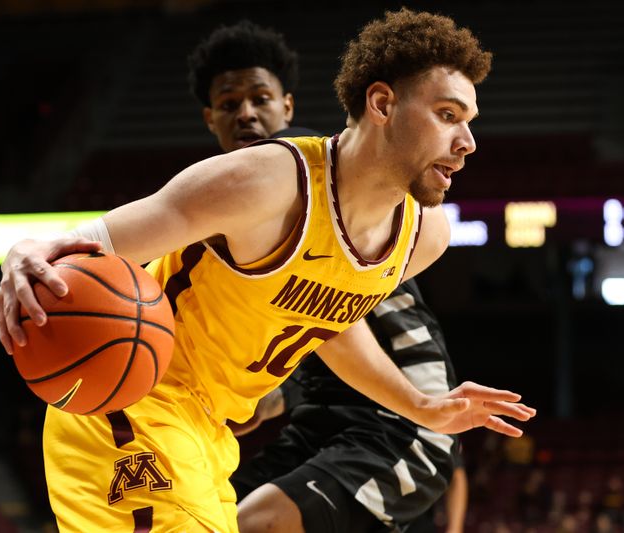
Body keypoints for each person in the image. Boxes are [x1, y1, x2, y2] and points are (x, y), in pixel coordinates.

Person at [0, 8, 536, 533]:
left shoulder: (424, 236)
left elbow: (332, 325)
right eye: (447, 115)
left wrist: (421, 406)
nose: (466, 144)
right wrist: (24, 250)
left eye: (468, 123)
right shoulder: (266, 182)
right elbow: (86, 244)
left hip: (210, 432)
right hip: (134, 403)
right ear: (382, 103)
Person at [187, 20, 469, 532]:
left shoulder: (302, 166)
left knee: (252, 526)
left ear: (287, 108)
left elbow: (328, 315)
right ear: (210, 119)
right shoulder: (243, 205)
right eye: (230, 106)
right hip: (323, 417)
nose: (247, 114)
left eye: (261, 99)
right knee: (202, 520)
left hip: (399, 419)